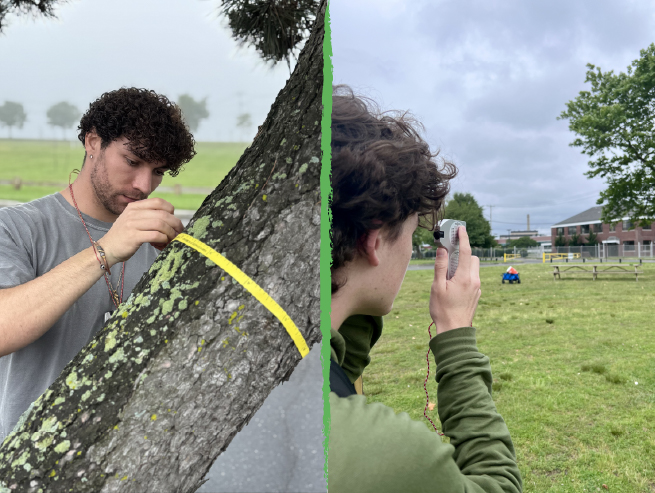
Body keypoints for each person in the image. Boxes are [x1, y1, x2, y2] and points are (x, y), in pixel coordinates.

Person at [328, 85, 523, 492]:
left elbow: (337, 371)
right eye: (413, 229)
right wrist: (455, 335)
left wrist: (351, 290)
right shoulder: (384, 453)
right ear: (373, 240)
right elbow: (498, 484)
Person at [0, 87, 196, 442]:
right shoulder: (15, 228)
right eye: (133, 161)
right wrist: (105, 250)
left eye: (158, 172)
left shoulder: (160, 242)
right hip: (26, 462)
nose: (143, 185)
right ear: (93, 142)